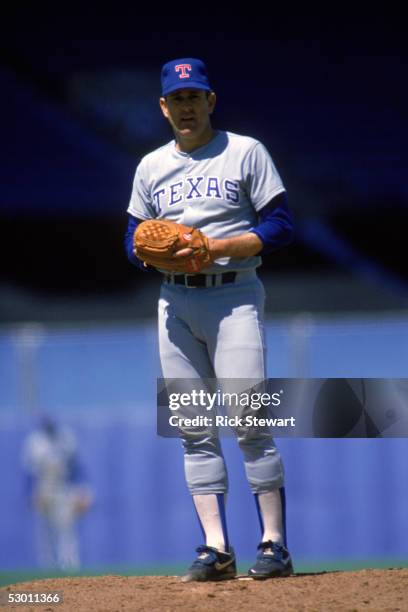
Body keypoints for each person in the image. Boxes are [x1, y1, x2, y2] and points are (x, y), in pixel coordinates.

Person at [124, 57, 294, 581]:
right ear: (163, 107)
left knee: (249, 421)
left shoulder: (245, 152)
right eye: (177, 99)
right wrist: (156, 254)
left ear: (210, 101)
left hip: (234, 294)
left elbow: (282, 225)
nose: (186, 106)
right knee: (194, 427)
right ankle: (216, 550)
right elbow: (132, 242)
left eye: (194, 97)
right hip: (175, 302)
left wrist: (213, 246)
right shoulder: (151, 167)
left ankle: (274, 545)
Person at [21, 416, 93, 571]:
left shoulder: (66, 438)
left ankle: (70, 567)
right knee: (44, 532)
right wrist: (30, 494)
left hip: (63, 489)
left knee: (66, 529)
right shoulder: (34, 442)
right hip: (42, 489)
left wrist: (82, 491)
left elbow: (77, 468)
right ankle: (47, 569)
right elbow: (28, 472)